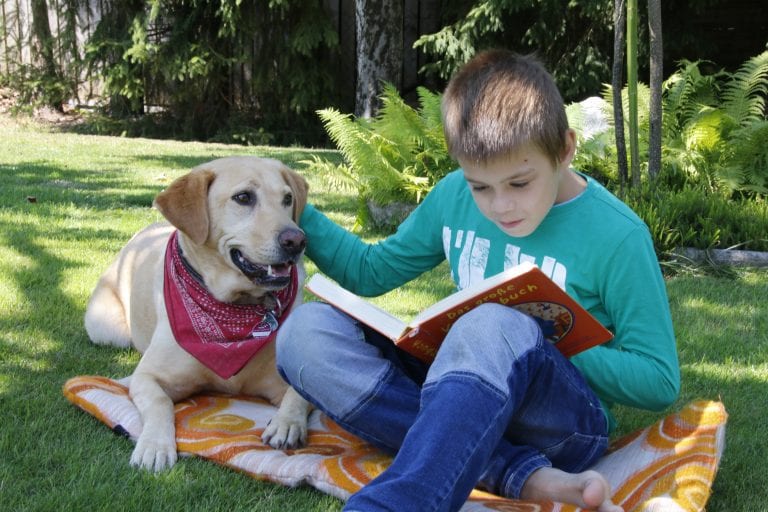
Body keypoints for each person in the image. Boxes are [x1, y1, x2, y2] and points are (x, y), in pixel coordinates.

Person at [275, 49, 680, 512]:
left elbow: (659, 381)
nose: (500, 206)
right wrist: (292, 206)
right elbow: (370, 272)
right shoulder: (452, 196)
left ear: (565, 150)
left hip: (562, 425)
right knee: (304, 334)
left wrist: (546, 337)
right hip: (458, 397)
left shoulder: (617, 235)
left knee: (491, 323)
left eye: (520, 184)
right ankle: (517, 474)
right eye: (480, 187)